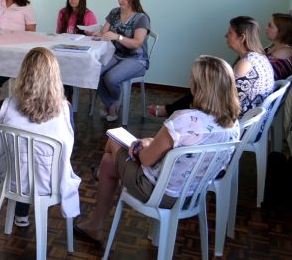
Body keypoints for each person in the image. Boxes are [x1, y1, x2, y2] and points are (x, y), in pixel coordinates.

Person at [75, 55, 240, 244]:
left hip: (160, 192)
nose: (189, 81)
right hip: (194, 193)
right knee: (109, 163)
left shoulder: (183, 119)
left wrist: (137, 147)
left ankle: (97, 220)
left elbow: (146, 160)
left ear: (201, 87)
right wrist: (152, 142)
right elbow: (188, 145)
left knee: (113, 142)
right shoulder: (233, 125)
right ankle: (105, 185)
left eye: (192, 78)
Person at [0, 47, 81, 228]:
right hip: (52, 182)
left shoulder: (4, 106)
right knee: (40, 159)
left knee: (22, 157)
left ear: (23, 74)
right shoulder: (65, 109)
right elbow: (69, 145)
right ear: (55, 77)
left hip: (13, 180)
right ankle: (40, 211)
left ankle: (20, 212)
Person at [150, 16, 275, 118]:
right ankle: (168, 110)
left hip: (240, 120)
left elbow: (222, 95)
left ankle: (168, 112)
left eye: (230, 33)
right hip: (251, 116)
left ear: (242, 37)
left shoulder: (246, 64)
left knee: (201, 90)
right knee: (202, 87)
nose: (225, 36)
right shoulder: (258, 57)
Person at [94, 0, 150, 122]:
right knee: (94, 72)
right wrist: (98, 33)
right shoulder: (114, 12)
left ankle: (112, 104)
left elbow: (137, 43)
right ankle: (111, 102)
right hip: (117, 54)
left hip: (136, 59)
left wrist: (117, 37)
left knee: (111, 78)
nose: (120, 1)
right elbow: (104, 31)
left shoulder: (141, 18)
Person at [264, 13, 292, 80]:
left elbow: (261, 75)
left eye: (270, 26)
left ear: (282, 31)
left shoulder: (283, 53)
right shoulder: (279, 45)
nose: (266, 28)